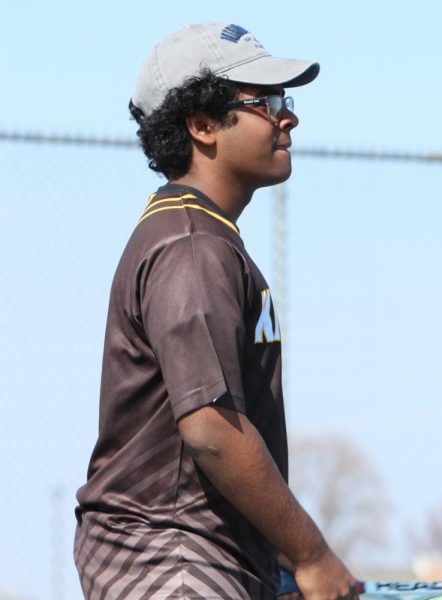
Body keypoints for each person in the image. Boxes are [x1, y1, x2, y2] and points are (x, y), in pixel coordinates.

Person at [73, 22, 356, 600]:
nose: (288, 116)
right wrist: (311, 555)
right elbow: (210, 430)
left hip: (195, 557)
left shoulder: (201, 236)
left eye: (285, 99)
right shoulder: (192, 246)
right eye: (266, 101)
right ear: (201, 126)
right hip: (171, 560)